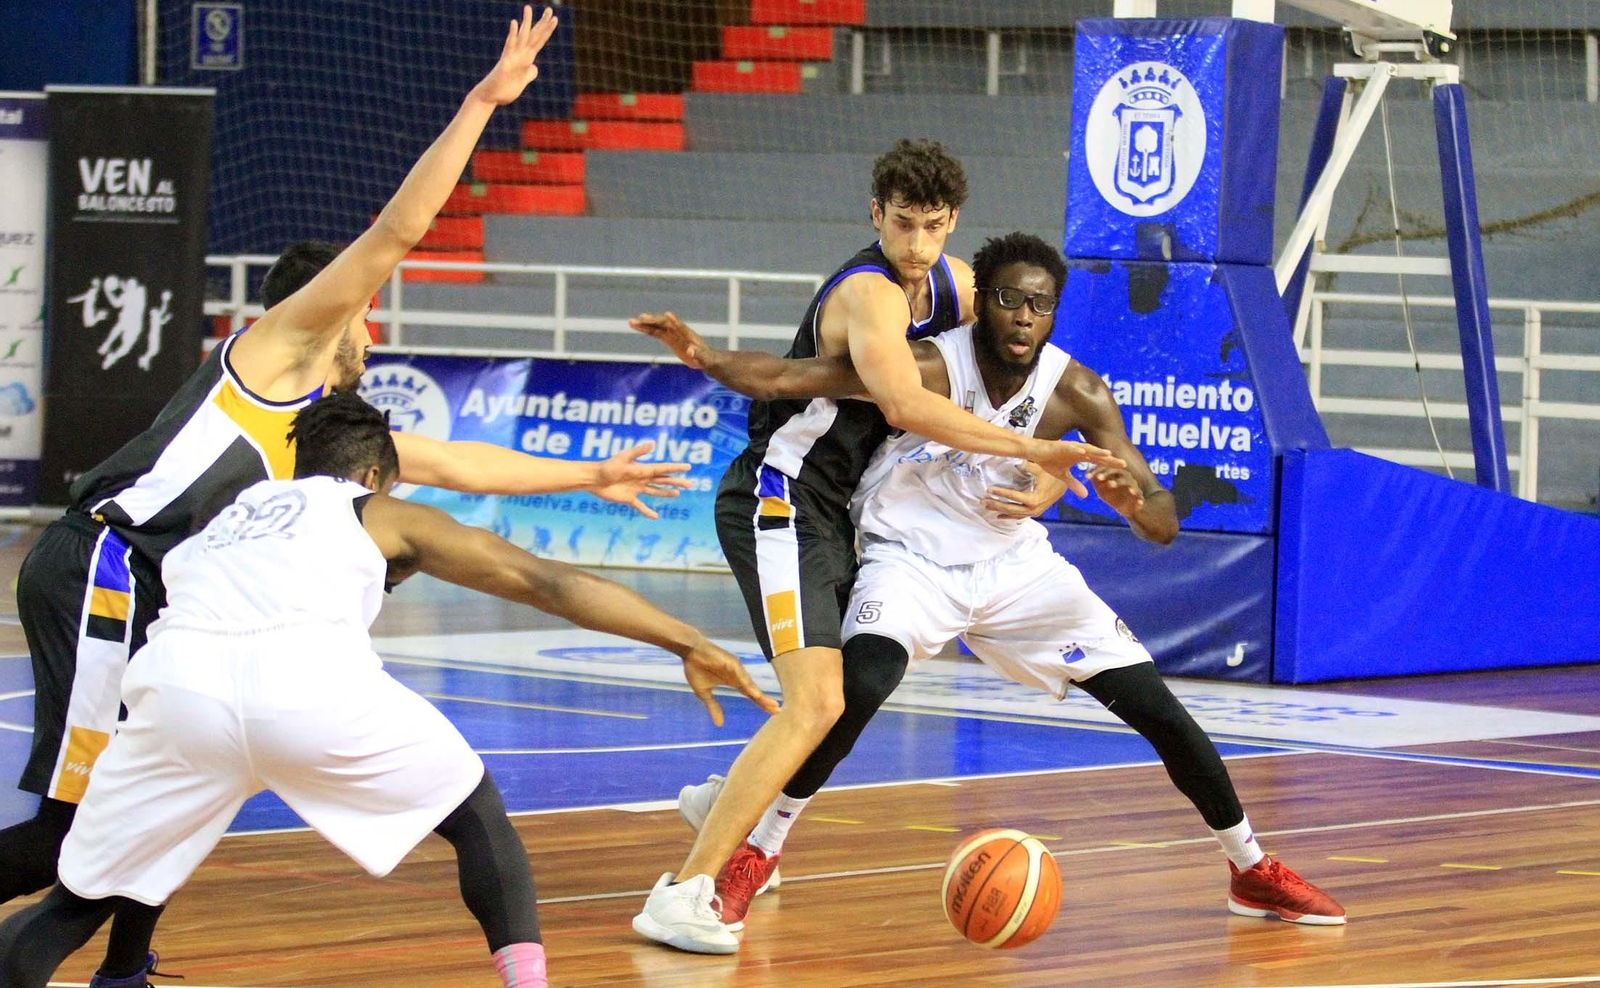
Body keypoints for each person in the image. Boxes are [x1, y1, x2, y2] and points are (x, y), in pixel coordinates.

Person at [0, 5, 679, 985]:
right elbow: (400, 228)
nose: (375, 330)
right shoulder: (281, 348)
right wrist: (483, 103)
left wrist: (594, 474)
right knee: (78, 831)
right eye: (367, 310)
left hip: (145, 588)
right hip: (105, 567)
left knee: (175, 784)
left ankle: (127, 966)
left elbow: (454, 462)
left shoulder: (319, 425)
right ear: (340, 307)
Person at [640, 232, 1347, 931]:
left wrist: (1134, 506)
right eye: (1009, 300)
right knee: (857, 688)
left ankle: (1250, 867)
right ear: (983, 302)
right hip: (910, 558)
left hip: (1015, 569)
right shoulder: (929, 365)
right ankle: (759, 849)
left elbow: (1162, 518)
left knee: (1157, 708)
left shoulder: (1078, 391)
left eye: (1040, 305)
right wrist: (707, 356)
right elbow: (791, 378)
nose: (1023, 317)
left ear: (1055, 311)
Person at [0, 390, 780, 988]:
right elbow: (544, 581)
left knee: (80, 896)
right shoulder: (375, 509)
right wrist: (689, 639)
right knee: (476, 816)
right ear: (376, 475)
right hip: (304, 684)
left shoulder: (229, 511)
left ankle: (117, 972)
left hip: (179, 687)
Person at [628, 143, 1126, 955]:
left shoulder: (958, 284)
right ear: (875, 215)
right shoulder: (869, 293)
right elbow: (903, 403)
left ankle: (729, 801)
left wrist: (1049, 468)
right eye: (902, 224)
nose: (916, 244)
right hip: (782, 497)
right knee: (818, 702)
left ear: (952, 221)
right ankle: (680, 894)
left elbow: (1026, 364)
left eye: (932, 226)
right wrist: (1034, 449)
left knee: (852, 683)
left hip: (843, 513)